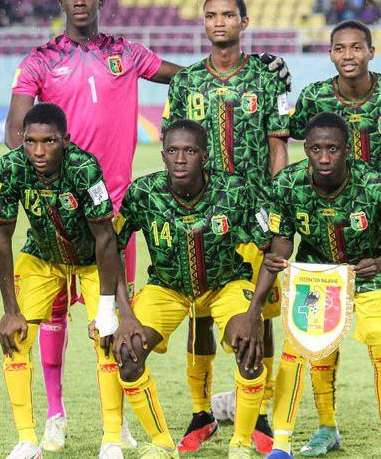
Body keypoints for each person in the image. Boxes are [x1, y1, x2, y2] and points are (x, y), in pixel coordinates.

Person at [3, 0, 179, 449]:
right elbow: (14, 132)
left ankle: (114, 420)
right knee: (53, 317)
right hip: (59, 216)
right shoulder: (40, 61)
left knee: (109, 322)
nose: (80, 1)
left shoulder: (127, 53)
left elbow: (183, 78)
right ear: (61, 0)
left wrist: (233, 68)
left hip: (114, 215)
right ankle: (55, 414)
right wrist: (54, 178)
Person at [279, 19, 381, 457]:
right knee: (321, 334)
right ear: (330, 54)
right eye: (340, 48)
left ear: (371, 51)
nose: (348, 55)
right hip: (327, 238)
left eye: (357, 47)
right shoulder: (315, 97)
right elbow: (285, 130)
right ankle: (327, 425)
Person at [161, 0, 292, 453]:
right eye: (211, 15)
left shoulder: (266, 76)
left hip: (254, 213)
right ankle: (202, 411)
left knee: (262, 314)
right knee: (199, 308)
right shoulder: (186, 82)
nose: (219, 22)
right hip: (198, 215)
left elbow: (279, 142)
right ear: (203, 23)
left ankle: (260, 412)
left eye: (228, 15)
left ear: (244, 21)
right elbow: (173, 149)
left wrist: (279, 203)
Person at [240, 112, 381, 459]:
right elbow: (282, 235)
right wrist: (278, 255)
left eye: (332, 149)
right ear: (304, 148)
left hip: (369, 272)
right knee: (298, 350)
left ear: (347, 149)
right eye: (315, 149)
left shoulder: (379, 183)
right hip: (316, 273)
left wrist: (380, 262)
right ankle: (284, 444)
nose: (323, 157)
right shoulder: (287, 184)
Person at [111, 119, 274, 459]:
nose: (180, 159)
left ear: (205, 155)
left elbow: (272, 247)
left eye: (189, 151)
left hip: (225, 284)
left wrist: (254, 311)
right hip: (167, 289)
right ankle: (161, 442)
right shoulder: (143, 193)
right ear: (163, 155)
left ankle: (241, 444)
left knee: (248, 346)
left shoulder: (235, 191)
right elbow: (109, 247)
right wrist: (123, 313)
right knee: (127, 352)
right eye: (172, 151)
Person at [0, 103, 126, 459]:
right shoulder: (10, 167)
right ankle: (26, 440)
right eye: (30, 141)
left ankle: (112, 438)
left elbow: (105, 238)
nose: (38, 151)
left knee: (108, 339)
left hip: (91, 261)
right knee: (15, 336)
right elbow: (1, 236)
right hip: (42, 256)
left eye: (48, 141)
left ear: (65, 140)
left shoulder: (84, 167)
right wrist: (10, 310)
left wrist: (109, 309)